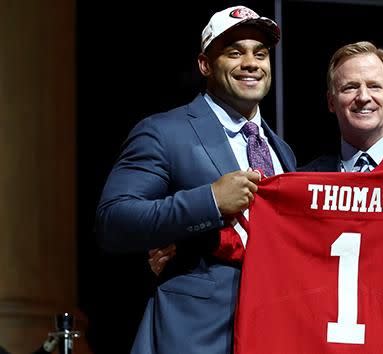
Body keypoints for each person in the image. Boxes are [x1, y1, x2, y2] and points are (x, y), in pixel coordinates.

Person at [149, 41, 383, 353]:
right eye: (349, 87)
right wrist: (185, 244)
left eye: (375, 86)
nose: (363, 97)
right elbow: (261, 245)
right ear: (330, 101)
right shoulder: (301, 182)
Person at [95, 5, 296, 354]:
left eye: (260, 54)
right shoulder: (164, 132)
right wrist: (211, 201)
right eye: (235, 52)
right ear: (205, 64)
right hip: (196, 335)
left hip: (273, 329)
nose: (251, 63)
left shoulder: (282, 151)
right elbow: (113, 221)